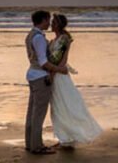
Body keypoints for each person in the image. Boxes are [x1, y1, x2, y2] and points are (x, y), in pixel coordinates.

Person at [48, 13, 103, 147]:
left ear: (58, 24)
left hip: (59, 76)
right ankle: (64, 137)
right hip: (54, 72)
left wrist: (52, 74)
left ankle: (71, 135)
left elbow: (61, 60)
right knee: (57, 106)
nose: (51, 24)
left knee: (66, 104)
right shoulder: (53, 40)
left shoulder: (64, 39)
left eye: (53, 22)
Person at [25, 10, 69, 155]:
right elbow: (44, 62)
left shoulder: (31, 35)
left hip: (32, 74)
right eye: (48, 20)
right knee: (38, 114)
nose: (49, 23)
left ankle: (30, 144)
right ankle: (37, 147)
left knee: (32, 112)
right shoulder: (38, 38)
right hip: (40, 77)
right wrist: (59, 69)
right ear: (43, 19)